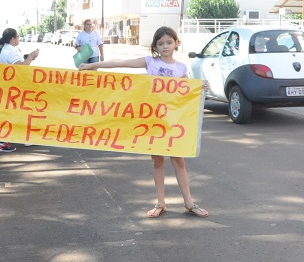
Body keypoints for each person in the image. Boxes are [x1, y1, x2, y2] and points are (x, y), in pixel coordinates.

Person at [79, 26, 209, 219]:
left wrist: (202, 88)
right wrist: (91, 66)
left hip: (173, 121)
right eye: (161, 43)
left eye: (169, 42)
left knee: (179, 162)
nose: (165, 46)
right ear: (155, 46)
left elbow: (186, 95)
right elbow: (120, 62)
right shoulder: (150, 62)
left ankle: (189, 203)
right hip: (153, 119)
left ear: (176, 43)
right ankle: (160, 203)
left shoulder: (181, 68)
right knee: (157, 162)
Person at [0, 28, 39, 153]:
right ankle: (3, 142)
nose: (19, 38)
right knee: (13, 114)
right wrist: (31, 56)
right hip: (13, 87)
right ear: (12, 39)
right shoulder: (9, 51)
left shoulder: (10, 49)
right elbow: (21, 67)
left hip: (14, 86)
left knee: (19, 113)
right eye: (17, 36)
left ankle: (24, 138)